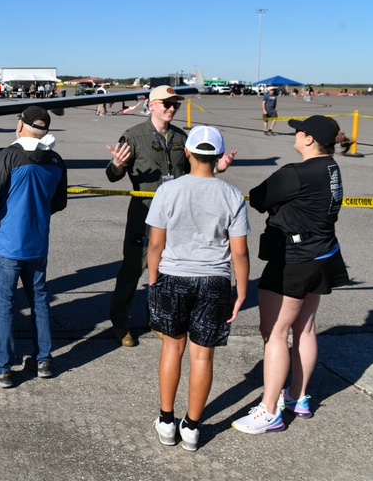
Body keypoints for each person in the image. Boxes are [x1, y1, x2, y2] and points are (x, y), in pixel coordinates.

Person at [232, 116, 350, 435]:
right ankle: (298, 397)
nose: (295, 135)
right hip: (324, 254)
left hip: (294, 260)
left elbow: (258, 198)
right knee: (306, 327)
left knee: (274, 333)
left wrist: (278, 207)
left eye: (299, 131)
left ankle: (270, 410)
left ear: (309, 139)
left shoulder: (296, 172)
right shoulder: (332, 168)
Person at [105, 85, 236, 347]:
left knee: (168, 271)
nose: (171, 108)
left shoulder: (181, 138)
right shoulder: (133, 136)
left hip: (176, 215)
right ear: (151, 105)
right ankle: (120, 323)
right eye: (166, 103)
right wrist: (117, 166)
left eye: (174, 104)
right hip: (144, 214)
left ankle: (158, 320)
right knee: (132, 269)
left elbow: (194, 169)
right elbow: (111, 174)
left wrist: (217, 168)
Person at [145, 126, 250, 452]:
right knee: (203, 355)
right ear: (219, 157)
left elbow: (155, 244)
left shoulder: (168, 191)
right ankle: (191, 426)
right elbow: (240, 252)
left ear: (187, 153)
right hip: (215, 281)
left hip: (174, 277)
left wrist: (152, 281)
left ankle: (166, 420)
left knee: (171, 349)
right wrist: (241, 290)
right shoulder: (232, 195)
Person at [0, 106, 67, 387]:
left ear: (20, 126)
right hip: (36, 243)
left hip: (5, 244)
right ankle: (44, 359)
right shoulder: (56, 161)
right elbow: (59, 202)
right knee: (38, 299)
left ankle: (2, 367)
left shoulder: (8, 157)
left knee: (3, 305)